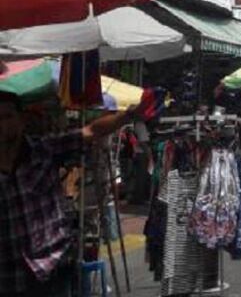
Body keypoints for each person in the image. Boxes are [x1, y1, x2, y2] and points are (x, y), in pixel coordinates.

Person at [0, 90, 147, 296]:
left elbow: (91, 131)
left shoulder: (44, 149)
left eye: (7, 116)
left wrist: (129, 115)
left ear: (22, 120)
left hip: (53, 270)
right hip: (8, 278)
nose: (2, 124)